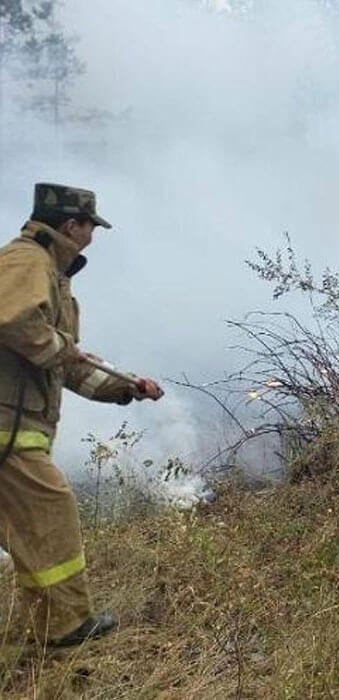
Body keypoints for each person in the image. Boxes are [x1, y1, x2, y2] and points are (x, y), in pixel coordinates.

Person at [0, 183, 164, 647]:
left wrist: (124, 389)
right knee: (52, 516)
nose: (93, 234)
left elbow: (64, 365)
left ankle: (48, 626)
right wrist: (61, 349)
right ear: (71, 225)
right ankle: (66, 626)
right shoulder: (27, 261)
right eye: (91, 225)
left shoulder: (52, 275)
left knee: (33, 533)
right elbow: (14, 323)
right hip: (9, 431)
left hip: (14, 429)